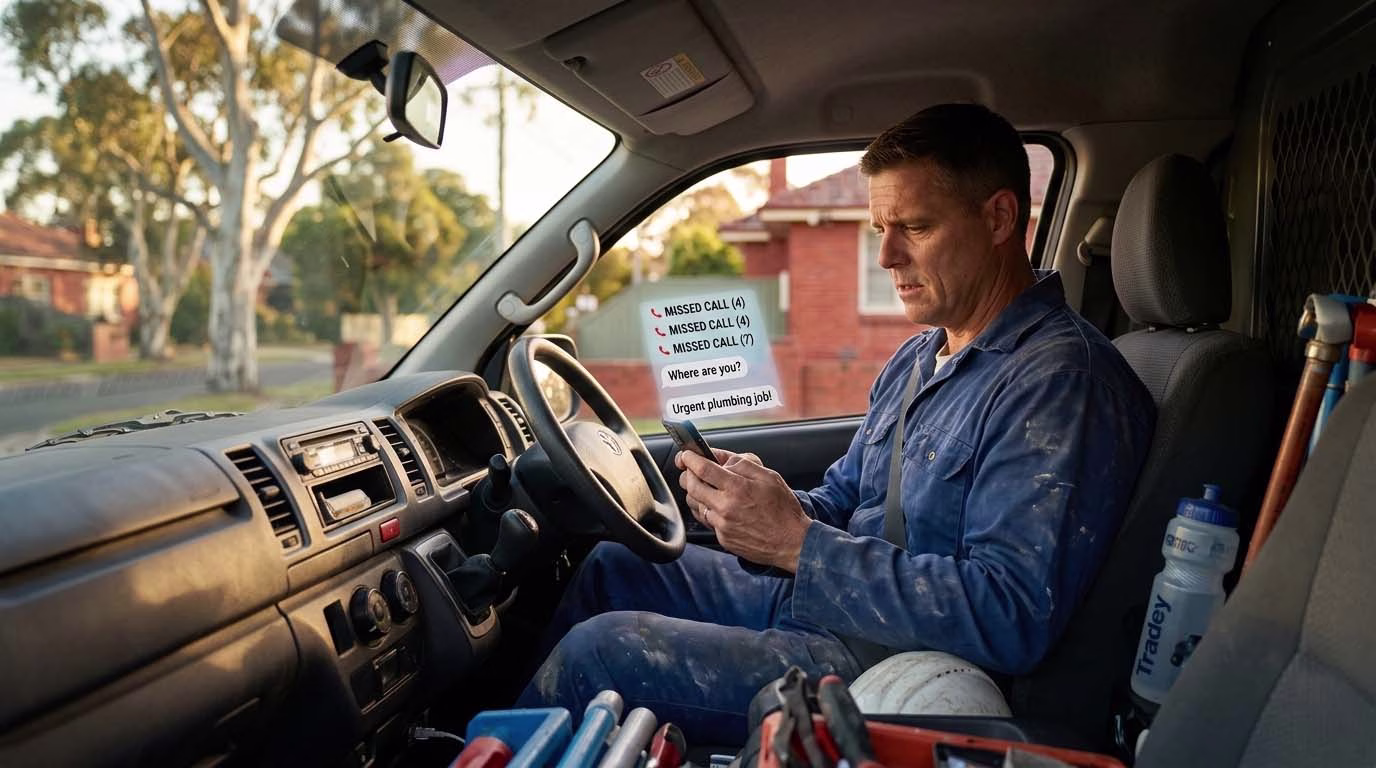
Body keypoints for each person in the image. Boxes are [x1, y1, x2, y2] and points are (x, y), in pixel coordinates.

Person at [515, 103, 1155, 744]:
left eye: (915, 227)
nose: (886, 256)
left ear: (999, 218)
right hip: (826, 605)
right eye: (881, 228)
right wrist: (763, 507)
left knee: (601, 655)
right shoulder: (920, 356)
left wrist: (798, 546)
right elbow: (847, 500)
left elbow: (1011, 614)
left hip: (893, 664)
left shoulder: (1060, 384)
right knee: (613, 566)